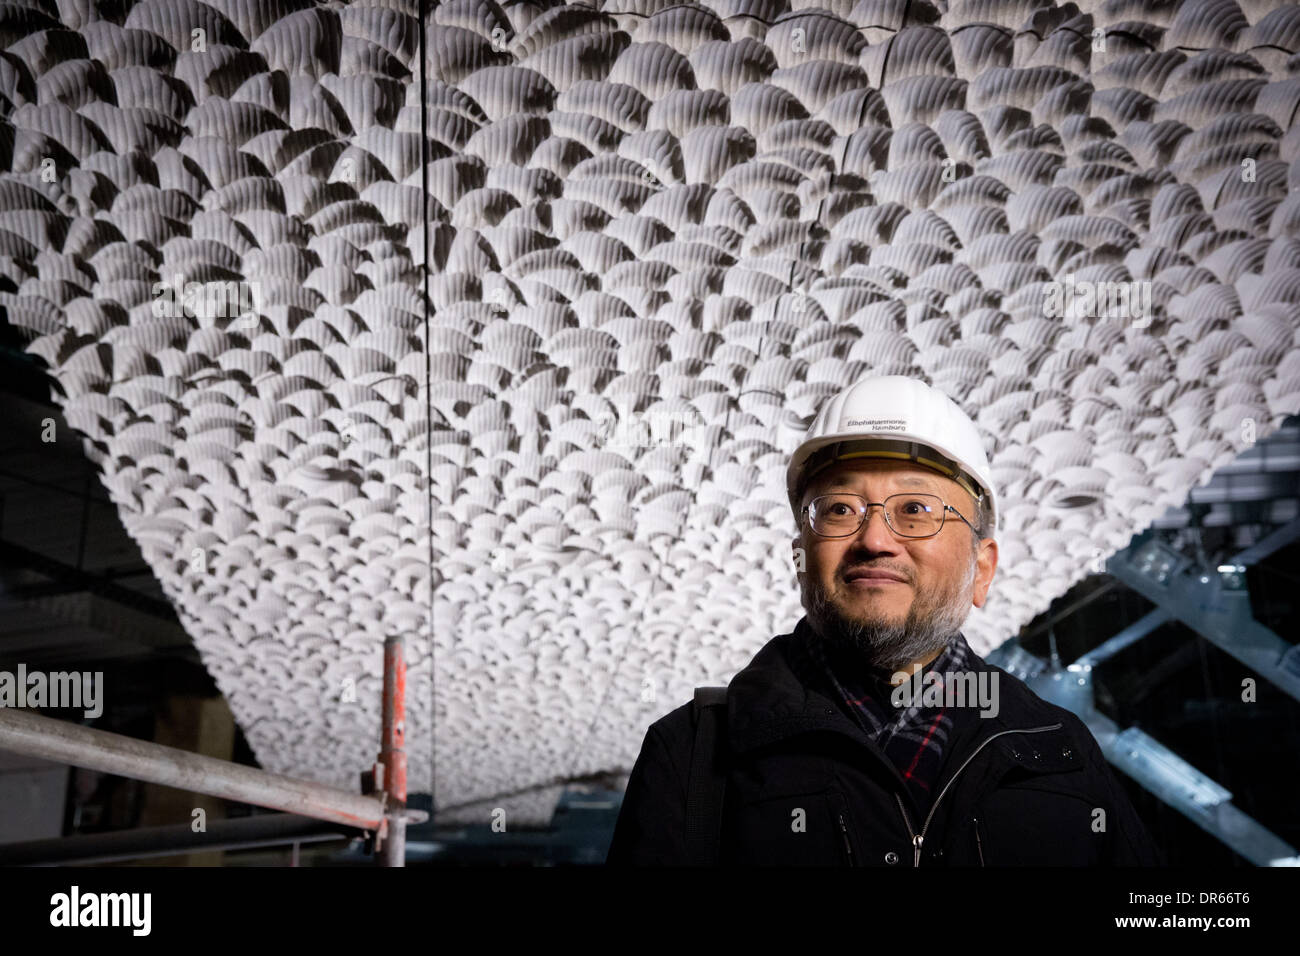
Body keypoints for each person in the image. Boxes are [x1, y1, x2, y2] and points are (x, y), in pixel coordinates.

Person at [606, 375, 1162, 866]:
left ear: (982, 569)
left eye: (915, 509)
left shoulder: (1060, 750)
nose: (873, 540)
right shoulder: (694, 753)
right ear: (801, 557)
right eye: (840, 510)